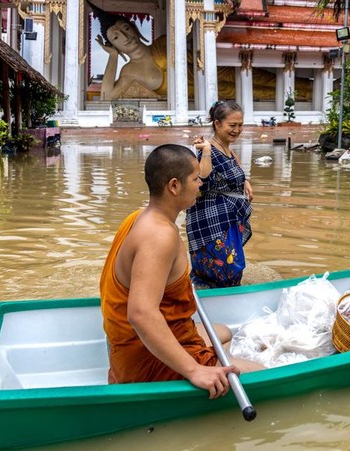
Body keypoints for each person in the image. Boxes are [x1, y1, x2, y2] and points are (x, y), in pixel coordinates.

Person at [99, 144, 260, 397]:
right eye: (196, 179)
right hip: (143, 362)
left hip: (132, 345)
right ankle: (202, 366)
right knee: (265, 371)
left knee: (224, 332)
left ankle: (214, 358)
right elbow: (140, 313)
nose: (201, 185)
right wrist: (194, 370)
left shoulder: (138, 216)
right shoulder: (159, 235)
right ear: (174, 186)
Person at [186, 101, 253, 288]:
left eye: (240, 125)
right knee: (224, 267)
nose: (237, 130)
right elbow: (202, 181)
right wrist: (206, 150)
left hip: (228, 219)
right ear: (217, 124)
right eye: (232, 125)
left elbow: (235, 171)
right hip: (211, 221)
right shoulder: (207, 150)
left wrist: (245, 181)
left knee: (233, 265)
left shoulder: (228, 150)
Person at [88, 1, 194, 100]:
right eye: (116, 38)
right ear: (115, 46)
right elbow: (106, 97)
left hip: (202, 94)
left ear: (135, 28)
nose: (125, 37)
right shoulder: (129, 71)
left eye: (126, 29)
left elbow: (198, 63)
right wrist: (113, 56)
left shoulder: (162, 43)